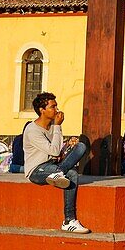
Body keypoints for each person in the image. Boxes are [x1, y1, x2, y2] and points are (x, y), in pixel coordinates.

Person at [23, 92, 91, 234]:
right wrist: (58, 126)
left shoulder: (52, 126)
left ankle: (68, 222)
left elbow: (57, 151)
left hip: (53, 165)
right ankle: (70, 218)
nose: (57, 110)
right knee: (71, 173)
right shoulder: (32, 130)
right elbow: (54, 150)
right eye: (52, 107)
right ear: (42, 110)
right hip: (37, 171)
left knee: (81, 147)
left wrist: (64, 149)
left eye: (56, 106)